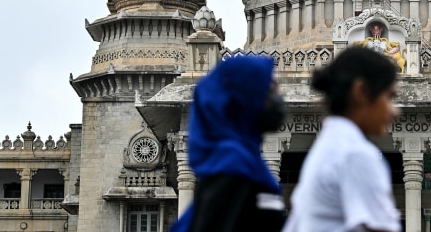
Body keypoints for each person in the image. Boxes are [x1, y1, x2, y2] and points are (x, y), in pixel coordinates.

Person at [282, 46, 401, 232]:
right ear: (361, 92)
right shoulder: (356, 155)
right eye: (389, 97)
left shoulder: (328, 148)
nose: (395, 111)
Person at [171, 54, 287, 232]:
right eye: (270, 89)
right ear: (245, 99)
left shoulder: (241, 159)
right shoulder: (233, 164)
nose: (279, 97)